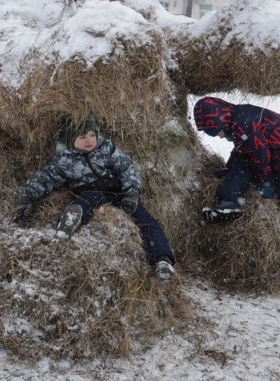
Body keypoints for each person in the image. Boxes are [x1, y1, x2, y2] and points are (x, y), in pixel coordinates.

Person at [11, 116, 177, 282]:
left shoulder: (107, 148)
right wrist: (27, 195)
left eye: (92, 135)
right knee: (85, 201)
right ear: (71, 140)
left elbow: (126, 168)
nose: (89, 140)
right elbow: (46, 177)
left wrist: (132, 192)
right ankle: (69, 221)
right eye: (82, 137)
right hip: (93, 195)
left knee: (146, 220)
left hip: (120, 194)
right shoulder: (65, 160)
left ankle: (162, 260)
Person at [193, 96, 280, 278]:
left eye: (217, 132)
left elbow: (260, 155)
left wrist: (265, 183)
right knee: (242, 163)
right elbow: (243, 148)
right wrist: (229, 169)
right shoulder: (238, 117)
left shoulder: (243, 123)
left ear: (221, 120)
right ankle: (230, 203)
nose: (220, 136)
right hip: (275, 156)